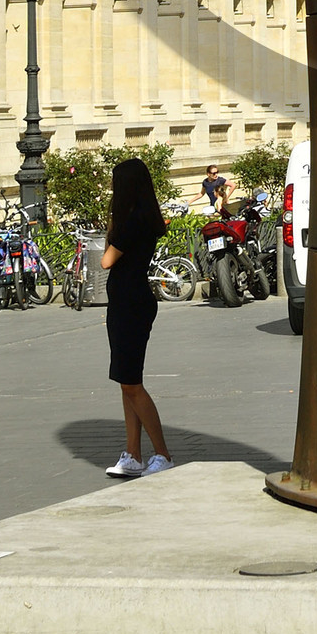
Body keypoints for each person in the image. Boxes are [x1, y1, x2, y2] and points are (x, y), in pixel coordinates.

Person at [101, 155, 172, 479]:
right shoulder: (145, 216)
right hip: (133, 301)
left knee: (132, 383)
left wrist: (111, 228)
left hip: (129, 304)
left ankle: (162, 454)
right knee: (127, 381)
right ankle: (133, 453)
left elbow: (105, 261)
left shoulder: (130, 223)